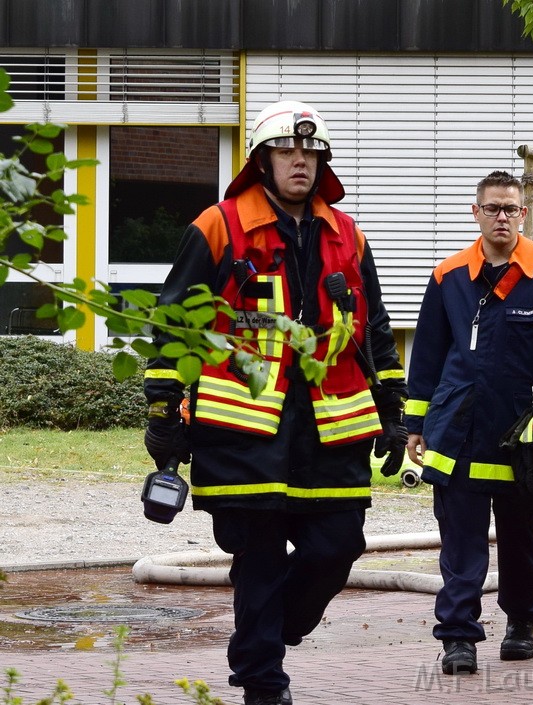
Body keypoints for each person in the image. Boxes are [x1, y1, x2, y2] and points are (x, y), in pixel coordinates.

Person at [143, 100, 407, 705]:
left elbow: (375, 329)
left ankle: (267, 636)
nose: (300, 161)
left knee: (338, 545)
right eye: (288, 150)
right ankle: (264, 682)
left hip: (332, 429)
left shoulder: (348, 234)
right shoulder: (219, 225)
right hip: (243, 432)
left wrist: (393, 409)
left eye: (311, 152)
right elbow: (175, 324)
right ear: (261, 160)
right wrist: (163, 408)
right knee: (258, 561)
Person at [404, 170, 533, 676]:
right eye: (492, 208)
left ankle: (521, 622)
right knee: (460, 541)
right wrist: (415, 422)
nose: (502, 217)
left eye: (511, 209)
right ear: (475, 212)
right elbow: (427, 352)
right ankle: (458, 637)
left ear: (524, 214)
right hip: (458, 430)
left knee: (521, 537)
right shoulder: (448, 276)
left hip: (527, 434)